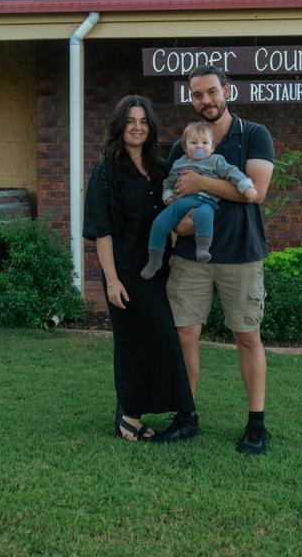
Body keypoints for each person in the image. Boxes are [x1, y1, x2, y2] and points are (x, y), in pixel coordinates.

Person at [165, 66, 275, 455]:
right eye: (197, 95)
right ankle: (187, 416)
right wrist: (182, 219)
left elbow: (256, 191)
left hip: (241, 255)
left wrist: (201, 183)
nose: (205, 101)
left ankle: (256, 424)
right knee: (184, 335)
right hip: (190, 257)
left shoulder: (254, 135)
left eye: (211, 92)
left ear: (228, 90)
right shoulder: (184, 144)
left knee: (247, 336)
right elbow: (172, 194)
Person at [82, 95, 198, 443]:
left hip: (159, 268)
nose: (137, 127)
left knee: (158, 340)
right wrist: (112, 281)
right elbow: (101, 229)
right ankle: (129, 417)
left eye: (143, 121)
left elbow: (176, 213)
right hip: (126, 273)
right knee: (135, 342)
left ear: (151, 127)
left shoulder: (161, 168)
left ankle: (144, 410)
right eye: (131, 121)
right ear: (120, 126)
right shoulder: (106, 171)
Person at [141, 120, 258, 279]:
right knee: (159, 223)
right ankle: (154, 260)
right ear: (185, 147)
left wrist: (247, 187)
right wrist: (167, 194)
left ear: (212, 147)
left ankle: (203, 248)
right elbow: (168, 181)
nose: (199, 146)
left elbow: (233, 173)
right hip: (181, 202)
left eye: (205, 142)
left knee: (204, 215)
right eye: (193, 142)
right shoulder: (179, 163)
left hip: (206, 202)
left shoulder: (216, 161)